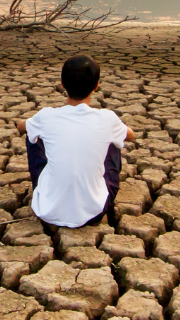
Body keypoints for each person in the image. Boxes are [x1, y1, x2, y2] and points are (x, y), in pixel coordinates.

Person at [16, 54, 135, 230]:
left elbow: (21, 126)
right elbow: (130, 135)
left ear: (62, 84)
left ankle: (51, 189)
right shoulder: (107, 118)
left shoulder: (47, 116)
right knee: (114, 140)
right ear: (96, 85)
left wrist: (36, 126)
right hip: (95, 211)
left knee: (32, 134)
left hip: (48, 210)